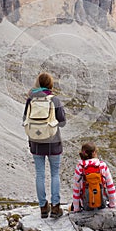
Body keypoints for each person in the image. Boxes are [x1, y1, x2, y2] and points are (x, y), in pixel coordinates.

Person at [23, 72, 66, 218]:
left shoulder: (30, 99)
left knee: (40, 174)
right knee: (54, 174)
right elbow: (62, 122)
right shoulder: (55, 100)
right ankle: (55, 207)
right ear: (50, 84)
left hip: (35, 141)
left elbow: (25, 118)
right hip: (53, 141)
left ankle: (43, 207)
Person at [72, 142, 116, 212]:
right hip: (102, 203)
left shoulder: (80, 167)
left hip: (85, 205)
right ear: (94, 153)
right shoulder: (102, 165)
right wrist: (112, 204)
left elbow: (76, 189)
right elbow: (110, 186)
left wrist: (76, 208)